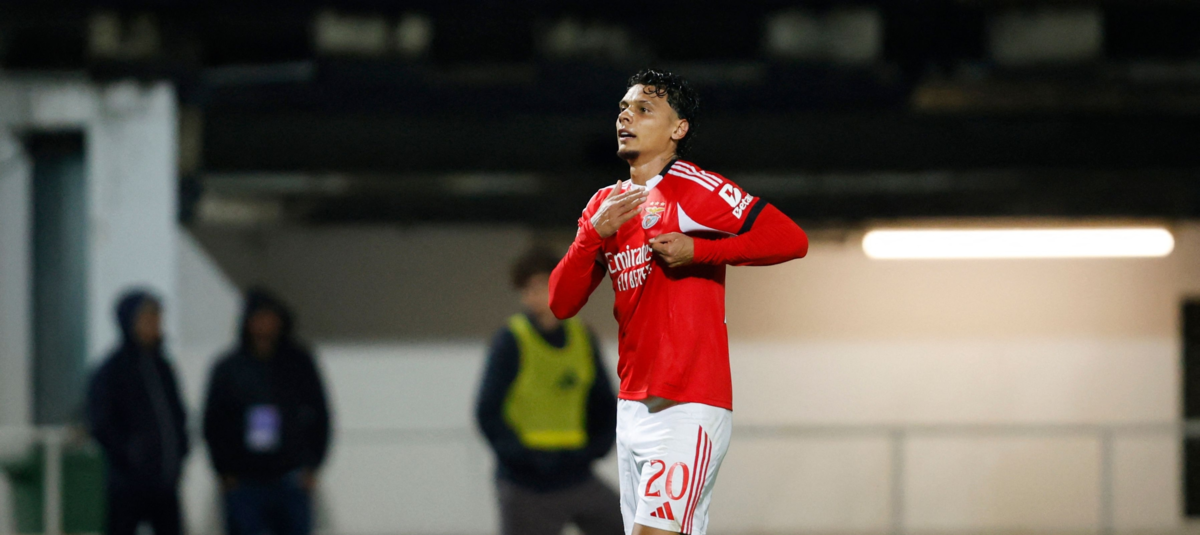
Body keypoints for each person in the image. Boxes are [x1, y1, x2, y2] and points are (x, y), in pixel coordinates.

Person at [548, 69, 810, 535]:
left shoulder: (695, 188)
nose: (626, 117)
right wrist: (591, 235)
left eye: (644, 109)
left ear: (678, 128)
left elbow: (790, 238)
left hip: (687, 404)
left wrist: (701, 250)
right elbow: (560, 303)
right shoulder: (605, 205)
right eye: (623, 109)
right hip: (632, 406)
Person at [475, 247, 624, 535]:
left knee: (625, 524)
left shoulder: (582, 336)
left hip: (576, 473)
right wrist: (524, 458)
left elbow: (604, 403)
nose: (537, 295)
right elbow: (488, 412)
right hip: (526, 481)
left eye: (544, 284)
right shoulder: (512, 339)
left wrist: (594, 449)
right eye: (529, 288)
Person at [203, 289, 331, 535]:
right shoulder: (229, 367)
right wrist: (224, 470)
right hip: (244, 479)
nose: (265, 324)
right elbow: (213, 421)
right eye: (259, 318)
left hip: (291, 476)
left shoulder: (299, 363)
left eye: (270, 317)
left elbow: (320, 414)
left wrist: (312, 465)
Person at [86, 289, 189, 535]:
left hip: (166, 482)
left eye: (157, 317)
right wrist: (131, 454)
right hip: (127, 485)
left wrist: (181, 451)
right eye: (147, 318)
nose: (154, 324)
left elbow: (176, 416)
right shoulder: (112, 371)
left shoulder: (163, 368)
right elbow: (101, 423)